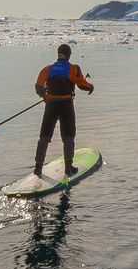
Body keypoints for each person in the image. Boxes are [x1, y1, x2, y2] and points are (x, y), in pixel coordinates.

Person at [33, 43, 93, 178]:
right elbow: (82, 84)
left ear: (58, 54)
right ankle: (68, 168)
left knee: (44, 136)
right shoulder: (73, 68)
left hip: (51, 105)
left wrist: (45, 96)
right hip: (66, 105)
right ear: (69, 55)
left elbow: (38, 86)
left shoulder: (47, 69)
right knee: (68, 136)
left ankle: (38, 168)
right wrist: (91, 87)